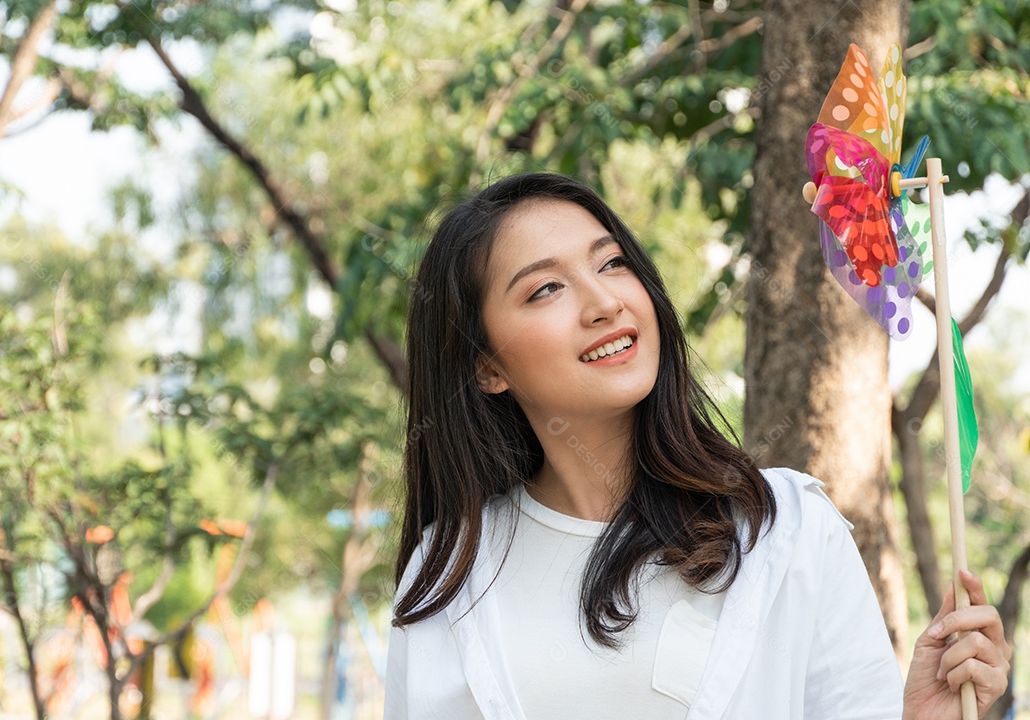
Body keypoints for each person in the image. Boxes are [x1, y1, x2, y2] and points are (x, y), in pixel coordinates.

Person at [384, 173, 1010, 719]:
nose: (605, 303)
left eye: (611, 263)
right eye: (545, 289)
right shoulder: (448, 574)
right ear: (486, 366)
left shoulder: (785, 529)